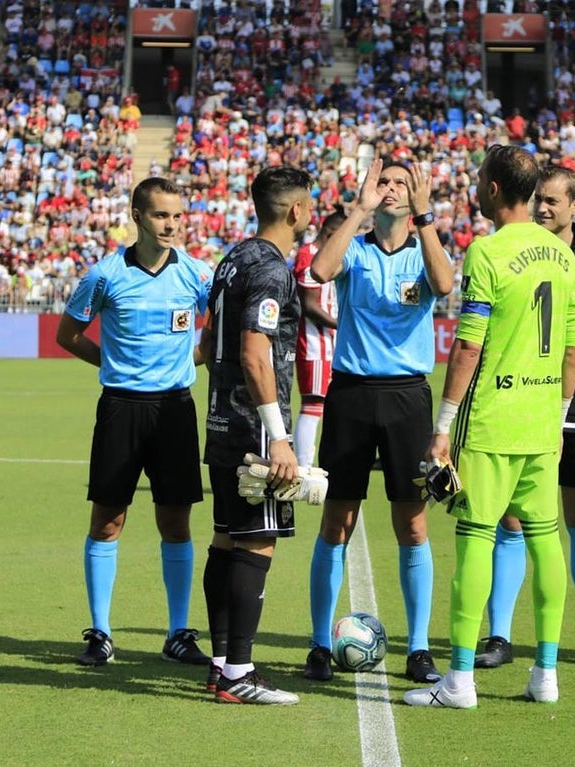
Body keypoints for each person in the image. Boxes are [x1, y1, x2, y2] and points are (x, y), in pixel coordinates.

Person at [404, 145, 575, 708]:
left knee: (476, 540)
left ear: (494, 189)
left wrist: (443, 425)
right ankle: (546, 674)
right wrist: (558, 417)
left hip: (491, 421)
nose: (476, 187)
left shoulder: (486, 252)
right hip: (542, 422)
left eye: (480, 179)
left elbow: (468, 346)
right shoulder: (564, 256)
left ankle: (459, 680)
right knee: (545, 540)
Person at [474, 165, 575, 672]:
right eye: (538, 199)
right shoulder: (512, 253)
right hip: (524, 404)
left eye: (553, 201)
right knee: (512, 521)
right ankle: (499, 635)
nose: (543, 208)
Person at [303, 158, 455, 684]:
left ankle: (419, 648)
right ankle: (319, 644)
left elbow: (444, 283)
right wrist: (357, 211)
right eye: (383, 181)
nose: (389, 189)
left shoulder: (424, 247)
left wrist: (426, 216)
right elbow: (319, 271)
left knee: (412, 525)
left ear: (415, 195)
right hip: (351, 394)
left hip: (407, 397)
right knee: (336, 522)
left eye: (400, 183)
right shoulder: (357, 248)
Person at [56, 177, 213, 669]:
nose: (171, 225)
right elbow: (68, 334)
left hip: (175, 410)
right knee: (108, 520)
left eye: (178, 216)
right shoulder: (105, 275)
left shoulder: (197, 275)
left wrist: (189, 362)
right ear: (138, 216)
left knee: (176, 522)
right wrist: (111, 364)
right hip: (121, 408)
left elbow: (220, 333)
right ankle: (101, 632)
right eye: (162, 215)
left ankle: (177, 632)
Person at [200, 165, 314, 705]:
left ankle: (221, 662)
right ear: (295, 210)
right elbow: (253, 353)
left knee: (226, 538)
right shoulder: (270, 269)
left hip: (221, 420)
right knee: (256, 542)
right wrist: (279, 436)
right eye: (309, 204)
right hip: (253, 427)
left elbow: (209, 343)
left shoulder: (233, 259)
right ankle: (238, 673)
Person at [292, 211, 344, 469]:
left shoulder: (332, 257)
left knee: (335, 404)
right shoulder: (308, 254)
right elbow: (309, 305)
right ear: (332, 233)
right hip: (314, 344)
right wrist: (343, 324)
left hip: (332, 343)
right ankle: (302, 467)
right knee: (313, 403)